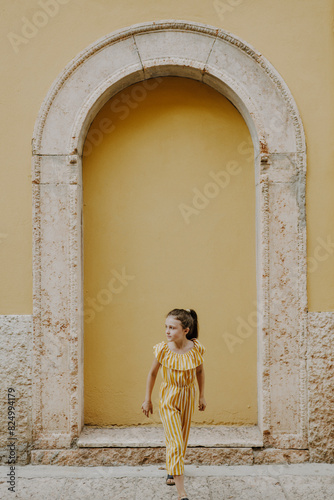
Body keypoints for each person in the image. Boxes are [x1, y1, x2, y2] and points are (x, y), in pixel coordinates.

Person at [142, 308, 206, 500]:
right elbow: (152, 374)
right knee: (176, 441)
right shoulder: (162, 349)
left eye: (172, 328)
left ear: (185, 330)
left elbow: (200, 373)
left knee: (182, 439)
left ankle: (172, 468)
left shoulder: (196, 349)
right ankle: (182, 493)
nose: (167, 331)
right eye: (166, 327)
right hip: (168, 397)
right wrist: (147, 399)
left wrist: (202, 396)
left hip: (188, 395)